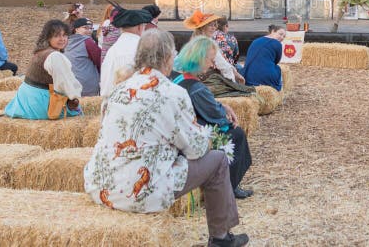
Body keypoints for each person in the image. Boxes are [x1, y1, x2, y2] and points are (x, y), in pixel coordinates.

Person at [84, 29, 249, 247]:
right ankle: (221, 238)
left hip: (100, 186)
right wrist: (206, 138)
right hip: (141, 192)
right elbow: (196, 149)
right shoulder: (173, 93)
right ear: (168, 58)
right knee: (217, 160)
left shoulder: (119, 89)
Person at [172, 35, 254, 200]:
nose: (212, 64)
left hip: (182, 128)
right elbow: (215, 116)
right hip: (192, 134)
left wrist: (221, 105)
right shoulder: (197, 88)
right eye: (210, 60)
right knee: (236, 134)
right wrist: (226, 117)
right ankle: (228, 187)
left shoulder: (178, 77)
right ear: (199, 59)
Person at [4, 20, 83, 119]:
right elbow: (63, 84)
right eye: (57, 36)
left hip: (24, 100)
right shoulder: (55, 56)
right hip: (40, 102)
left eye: (65, 35)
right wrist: (74, 98)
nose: (62, 39)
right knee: (77, 112)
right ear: (48, 38)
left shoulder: (40, 52)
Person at [99, 5, 153, 98]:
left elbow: (105, 87)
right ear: (140, 27)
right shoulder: (143, 49)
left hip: (114, 103)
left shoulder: (112, 51)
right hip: (137, 101)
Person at [184, 11, 245, 84]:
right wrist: (233, 84)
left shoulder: (195, 40)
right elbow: (224, 67)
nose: (214, 28)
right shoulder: (207, 43)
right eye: (210, 25)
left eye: (214, 25)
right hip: (205, 79)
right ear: (203, 28)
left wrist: (234, 72)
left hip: (195, 77)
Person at [242, 25, 286, 91]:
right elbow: (276, 61)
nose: (282, 37)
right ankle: (280, 91)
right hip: (266, 78)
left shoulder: (255, 41)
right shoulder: (277, 44)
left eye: (284, 36)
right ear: (273, 31)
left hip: (247, 78)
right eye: (280, 34)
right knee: (278, 69)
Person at [65, 17, 101, 96]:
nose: (89, 31)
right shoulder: (88, 42)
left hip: (71, 84)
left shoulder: (66, 41)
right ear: (76, 29)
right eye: (85, 28)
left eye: (91, 28)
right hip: (88, 85)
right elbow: (100, 61)